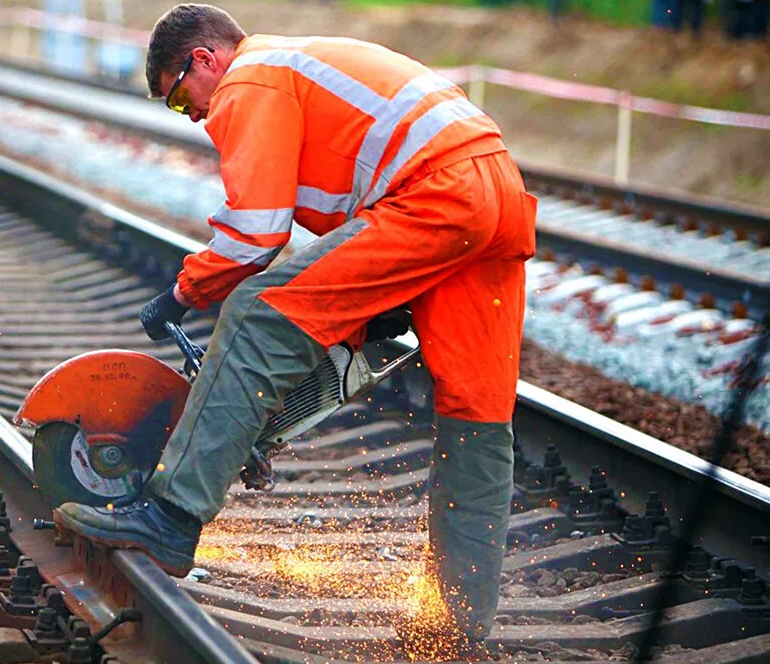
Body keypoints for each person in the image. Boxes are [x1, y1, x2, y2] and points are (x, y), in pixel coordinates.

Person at [53, 3, 536, 653]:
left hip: (435, 191)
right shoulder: (295, 69)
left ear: (204, 60)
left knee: (255, 312)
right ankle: (455, 629)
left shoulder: (248, 78)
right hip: (493, 192)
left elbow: (256, 233)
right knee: (475, 418)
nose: (191, 116)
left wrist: (182, 292)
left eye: (176, 99)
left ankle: (169, 517)